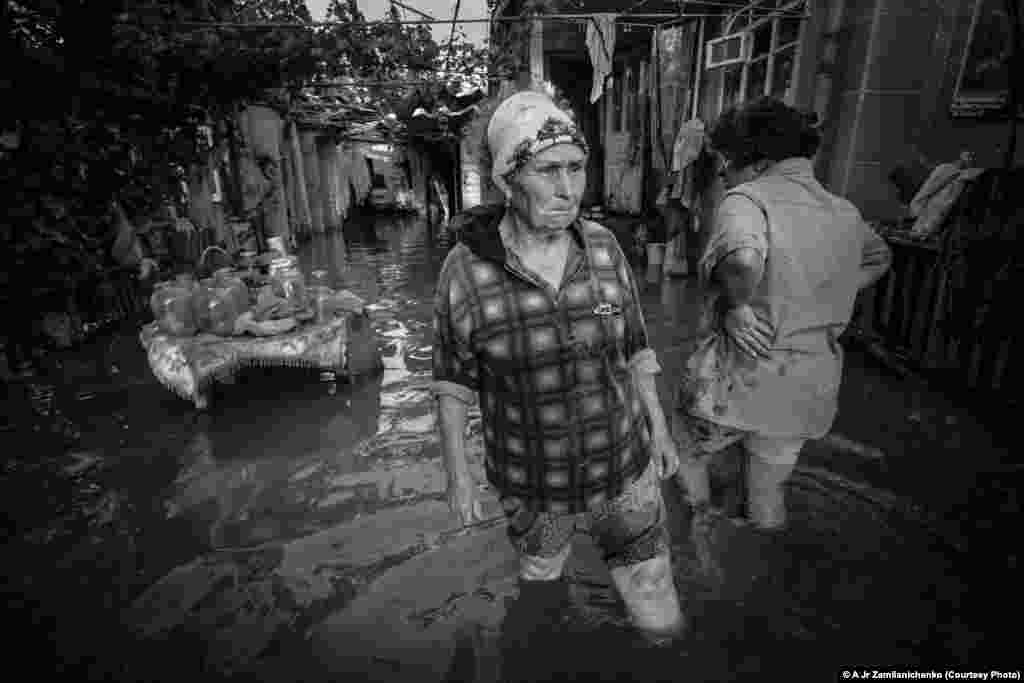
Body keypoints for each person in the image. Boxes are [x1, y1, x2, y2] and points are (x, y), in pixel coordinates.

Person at [432, 85, 685, 652]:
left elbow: (636, 347)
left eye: (576, 168)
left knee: (656, 603)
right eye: (548, 171)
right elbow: (452, 381)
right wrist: (457, 474)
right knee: (543, 589)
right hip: (533, 478)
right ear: (506, 180)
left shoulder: (603, 247)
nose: (568, 188)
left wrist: (660, 429)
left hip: (623, 461)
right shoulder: (464, 270)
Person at [671, 97, 893, 531]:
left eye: (725, 164)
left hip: (737, 379)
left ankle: (699, 532)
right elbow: (878, 257)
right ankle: (764, 555)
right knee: (767, 496)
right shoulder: (844, 212)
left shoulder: (748, 200)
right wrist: (820, 293)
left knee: (684, 448)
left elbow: (743, 260)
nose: (722, 175)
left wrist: (735, 304)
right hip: (805, 387)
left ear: (755, 162)